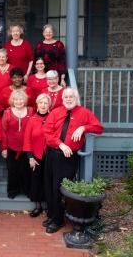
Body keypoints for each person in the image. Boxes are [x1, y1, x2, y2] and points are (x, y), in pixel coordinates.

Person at [43, 87, 104, 233]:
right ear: (62, 99)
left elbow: (99, 128)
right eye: (66, 97)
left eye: (71, 97)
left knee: (60, 188)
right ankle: (52, 215)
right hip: (52, 154)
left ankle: (58, 220)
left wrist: (83, 127)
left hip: (68, 157)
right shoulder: (56, 112)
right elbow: (47, 132)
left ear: (76, 98)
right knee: (50, 186)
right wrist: (60, 144)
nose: (68, 99)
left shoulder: (84, 113)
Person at [0, 90, 34, 199]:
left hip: (27, 147)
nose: (19, 101)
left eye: (21, 99)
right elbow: (3, 132)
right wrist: (3, 148)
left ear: (24, 100)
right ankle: (12, 190)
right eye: (16, 99)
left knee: (25, 170)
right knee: (12, 170)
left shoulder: (30, 111)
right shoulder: (7, 112)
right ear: (12, 101)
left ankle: (26, 190)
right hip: (11, 147)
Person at [23, 93, 51, 217]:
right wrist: (30, 157)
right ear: (37, 105)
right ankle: (38, 206)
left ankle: (50, 206)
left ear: (49, 105)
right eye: (41, 103)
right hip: (36, 156)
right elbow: (27, 139)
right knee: (36, 180)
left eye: (46, 103)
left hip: (51, 155)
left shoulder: (53, 117)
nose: (43, 105)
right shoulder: (32, 120)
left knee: (50, 180)